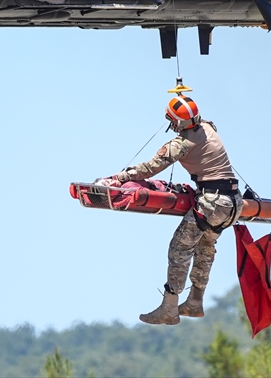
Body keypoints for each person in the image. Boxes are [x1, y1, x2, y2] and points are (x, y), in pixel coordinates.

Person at [98, 95, 243, 325]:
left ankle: (169, 307)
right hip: (232, 202)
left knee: (180, 248)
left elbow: (150, 168)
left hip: (212, 201)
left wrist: (120, 178)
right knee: (205, 247)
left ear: (176, 122)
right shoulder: (208, 127)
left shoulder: (182, 144)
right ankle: (195, 301)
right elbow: (202, 123)